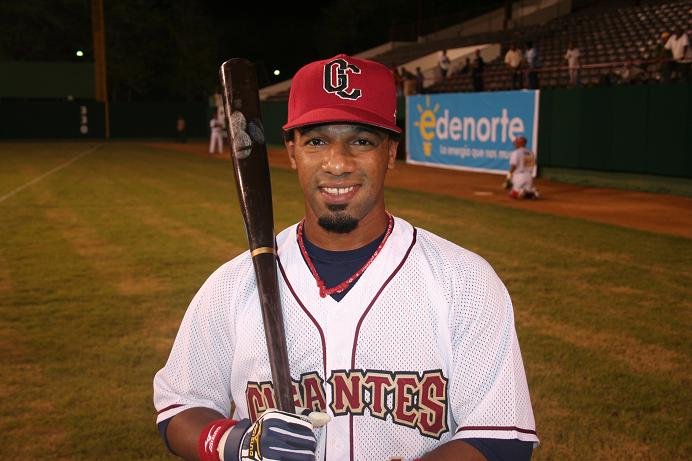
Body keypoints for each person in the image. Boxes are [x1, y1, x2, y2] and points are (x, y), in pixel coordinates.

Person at [153, 53, 538, 461]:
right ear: (292, 151)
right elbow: (180, 407)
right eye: (317, 141)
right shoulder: (232, 285)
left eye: (361, 141)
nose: (338, 163)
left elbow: (501, 440)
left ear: (390, 152)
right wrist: (234, 442)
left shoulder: (465, 281)